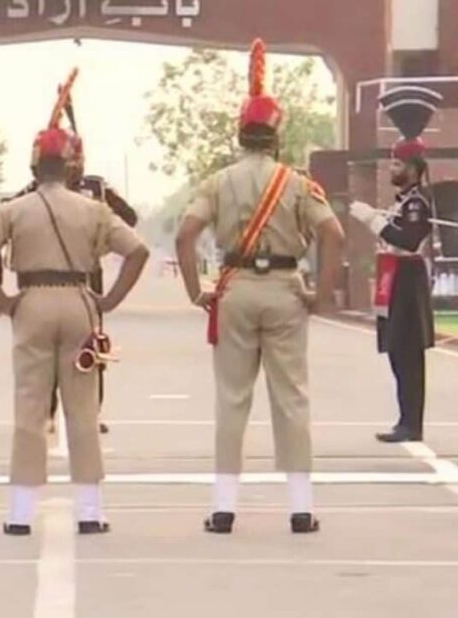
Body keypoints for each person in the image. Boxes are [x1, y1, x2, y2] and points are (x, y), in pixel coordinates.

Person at [175, 38, 344, 535]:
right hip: (286, 288)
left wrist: (194, 289)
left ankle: (224, 508)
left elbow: (186, 234)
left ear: (240, 133)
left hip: (235, 288)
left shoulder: (219, 181)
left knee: (232, 398)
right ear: (276, 135)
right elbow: (333, 234)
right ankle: (300, 508)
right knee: (291, 397)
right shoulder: (296, 182)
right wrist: (322, 293)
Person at [0, 126, 149, 535]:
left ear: (34, 166)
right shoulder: (92, 209)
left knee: (31, 406)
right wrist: (111, 299)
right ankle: (89, 511)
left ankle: (20, 513)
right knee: (82, 408)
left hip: (32, 300)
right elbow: (137, 249)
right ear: (69, 167)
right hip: (79, 300)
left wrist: (1, 299)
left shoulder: (16, 208)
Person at [350, 140, 434, 443]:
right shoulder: (405, 201)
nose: (392, 169)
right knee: (398, 351)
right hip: (396, 275)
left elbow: (408, 240)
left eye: (398, 164)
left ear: (413, 169)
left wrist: (374, 221)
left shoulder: (417, 203)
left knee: (408, 351)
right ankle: (405, 420)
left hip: (409, 278)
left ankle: (411, 424)